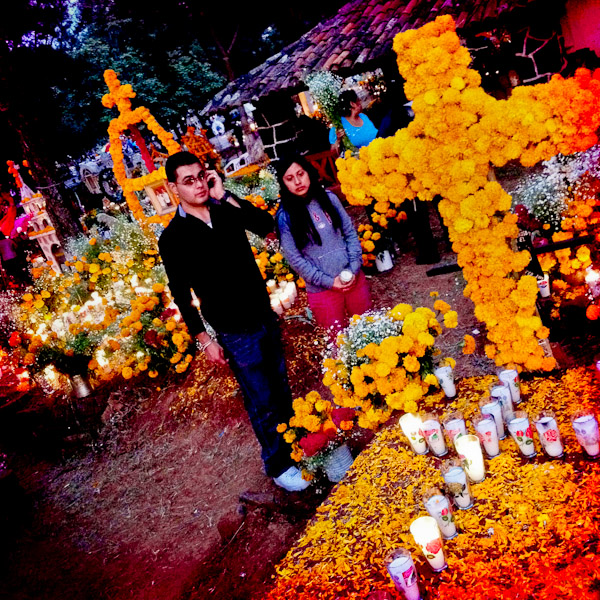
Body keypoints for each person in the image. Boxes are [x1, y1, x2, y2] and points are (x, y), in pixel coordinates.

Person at [158, 151, 308, 493]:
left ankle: (298, 449)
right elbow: (181, 293)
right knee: (262, 399)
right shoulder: (173, 237)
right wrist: (204, 339)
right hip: (234, 330)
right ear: (172, 187)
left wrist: (223, 193)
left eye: (201, 176)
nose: (198, 185)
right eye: (188, 180)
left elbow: (265, 226)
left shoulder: (225, 210)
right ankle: (278, 464)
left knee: (282, 389)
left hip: (263, 313)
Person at [275, 154, 372, 340]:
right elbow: (295, 260)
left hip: (353, 279)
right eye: (290, 178)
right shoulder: (285, 217)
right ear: (283, 183)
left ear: (308, 173)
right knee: (337, 344)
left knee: (368, 332)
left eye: (300, 174)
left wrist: (353, 268)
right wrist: (329, 282)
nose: (297, 181)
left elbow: (350, 233)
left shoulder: (329, 199)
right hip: (323, 291)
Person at [329, 90, 378, 154]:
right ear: (352, 104)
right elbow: (333, 153)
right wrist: (338, 140)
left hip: (377, 154)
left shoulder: (363, 116)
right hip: (359, 161)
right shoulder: (339, 125)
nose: (360, 102)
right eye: (358, 100)